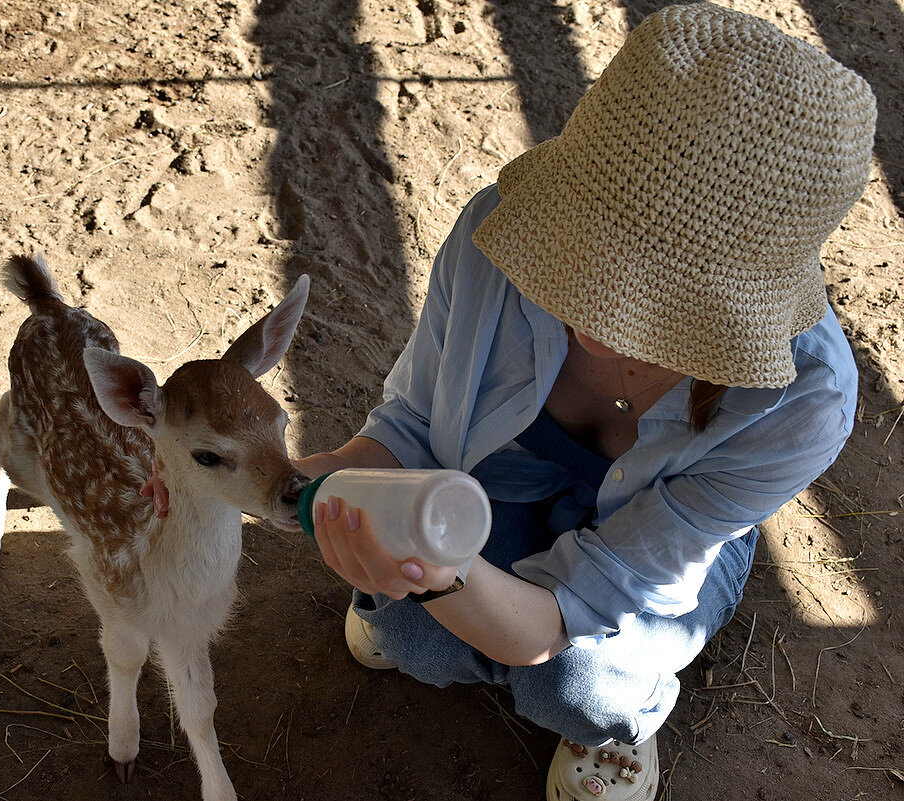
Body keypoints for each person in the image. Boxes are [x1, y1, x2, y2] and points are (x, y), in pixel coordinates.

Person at [294, 4, 877, 800]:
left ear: (740, 299)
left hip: (659, 535)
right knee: (411, 633)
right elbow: (411, 427)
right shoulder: (498, 234)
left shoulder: (802, 401)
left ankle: (625, 720)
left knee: (578, 688)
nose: (599, 304)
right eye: (593, 241)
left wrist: (435, 572)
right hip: (508, 475)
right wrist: (278, 483)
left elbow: (558, 625)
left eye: (662, 293)